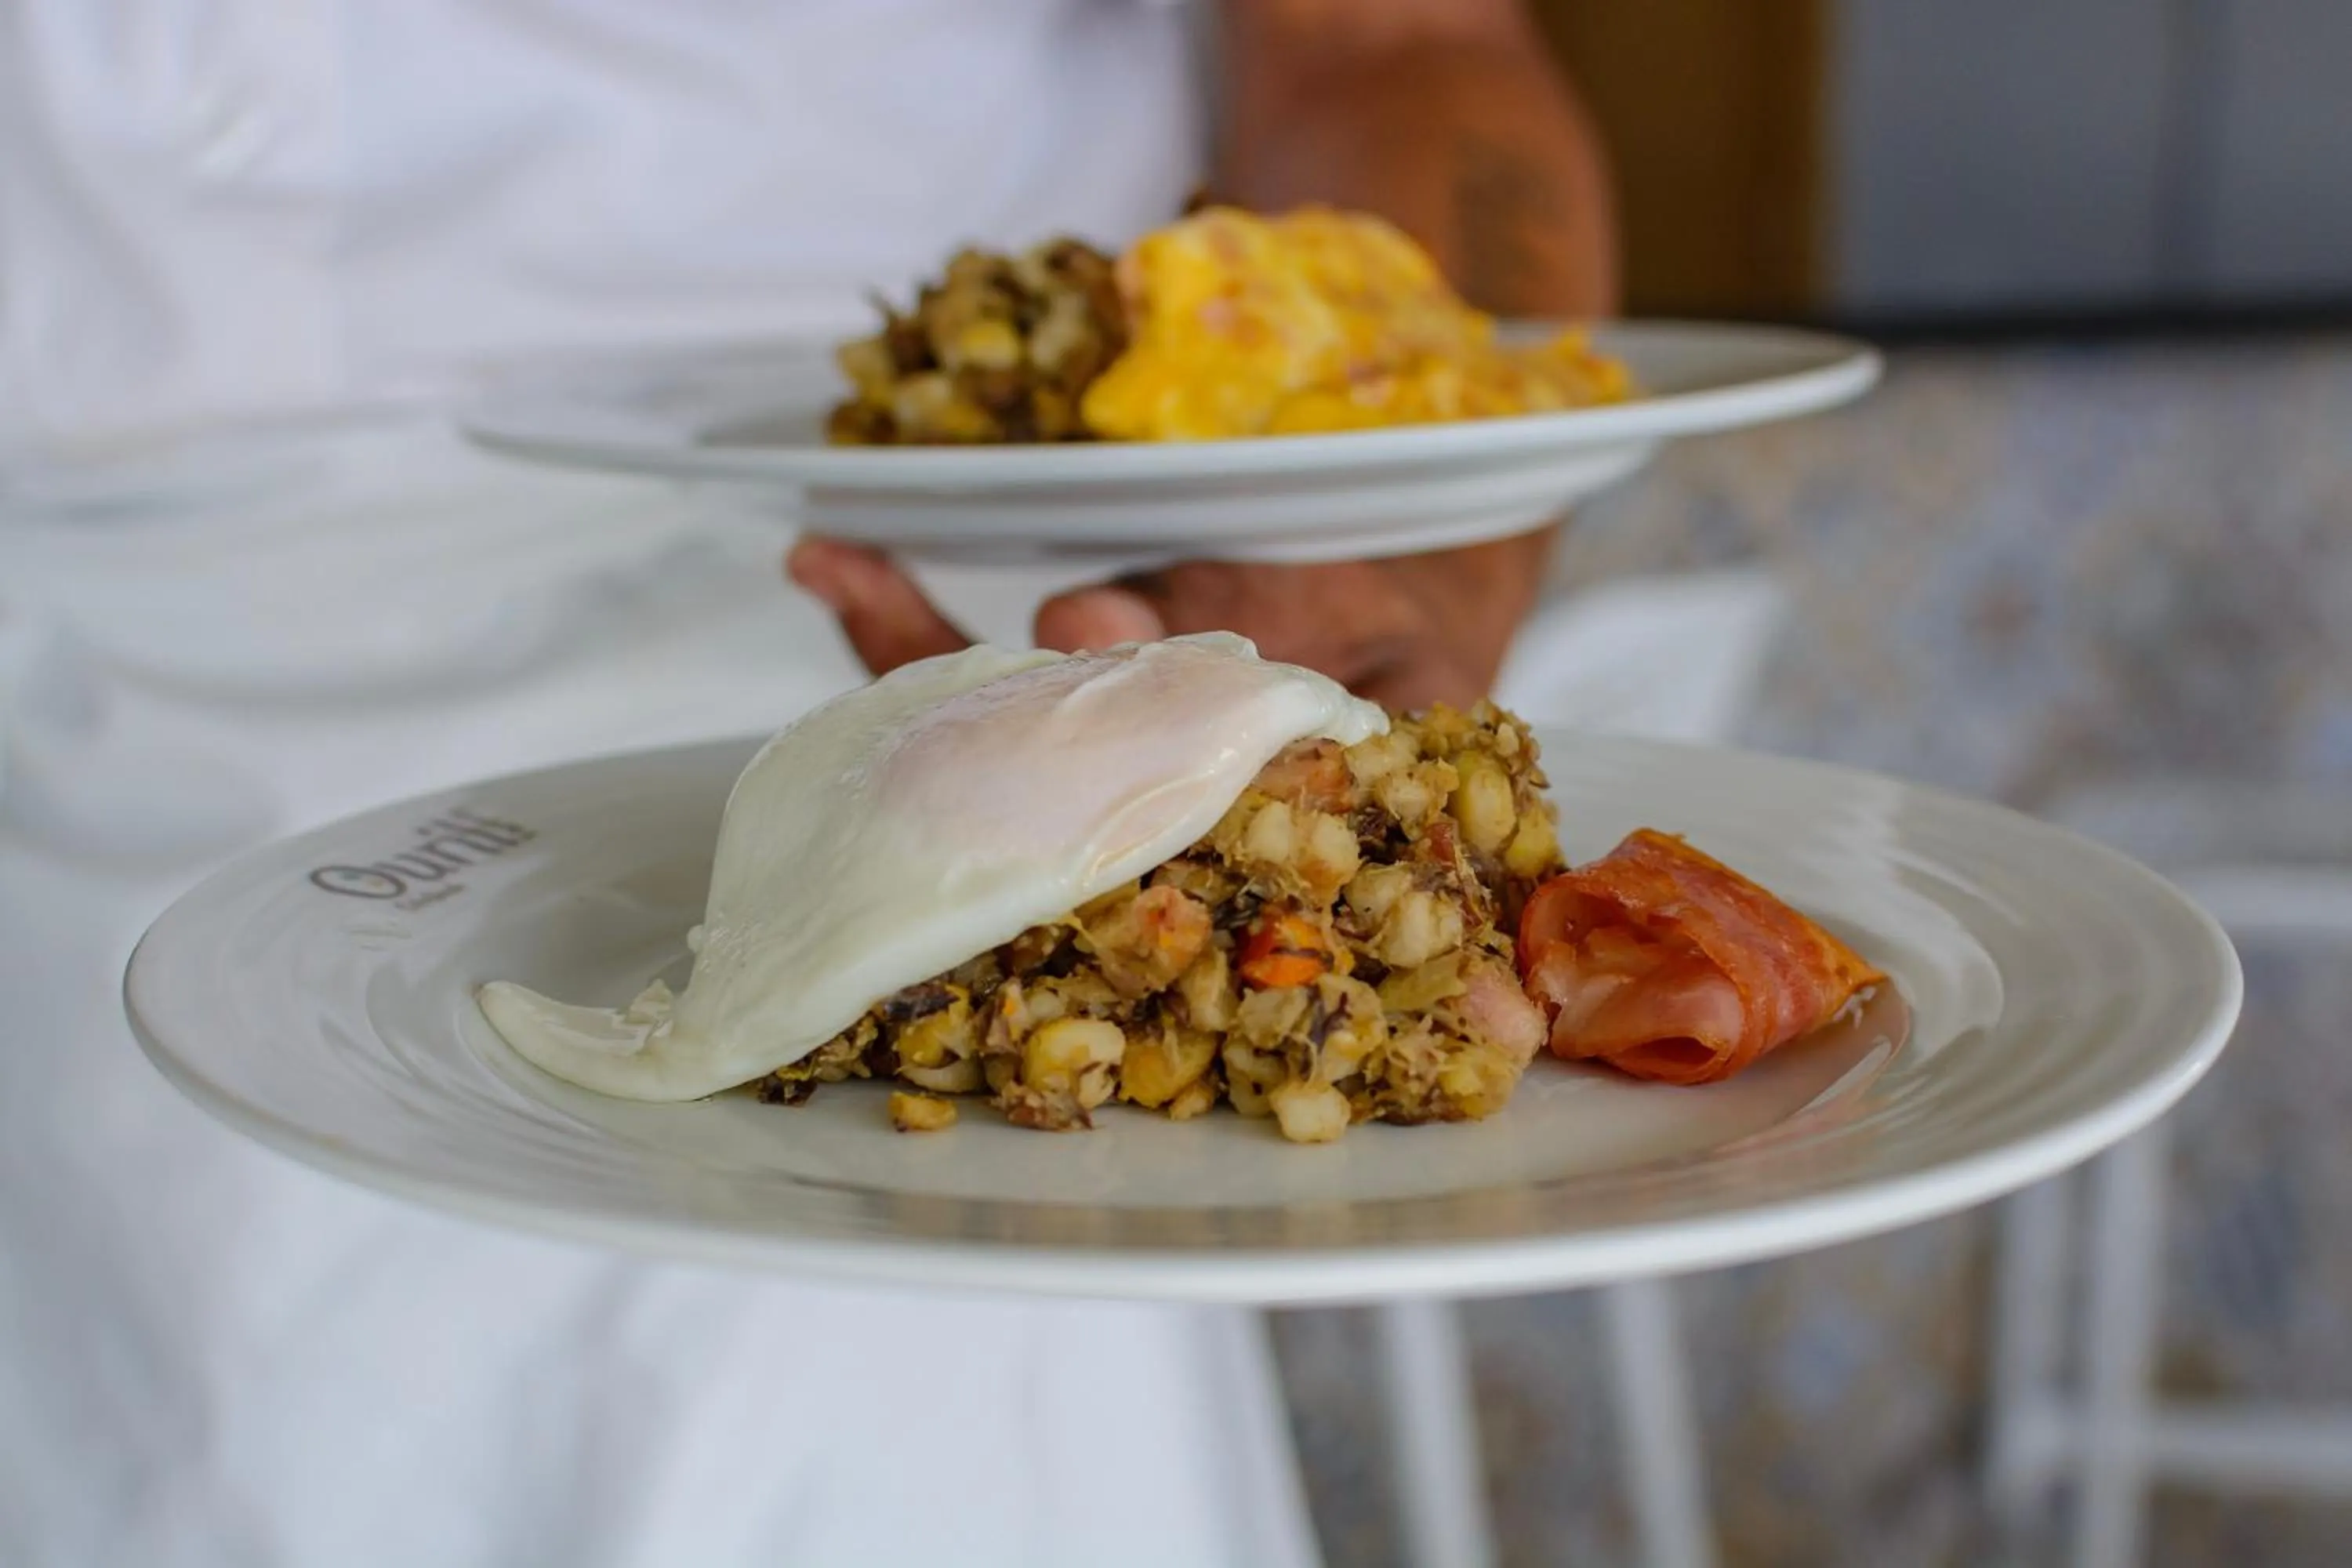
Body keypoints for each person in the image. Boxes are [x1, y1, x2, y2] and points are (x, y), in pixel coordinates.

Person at [0, 3, 1616, 1564]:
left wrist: (1420, 536)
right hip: (64, 583)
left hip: (901, 552)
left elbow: (1397, 44)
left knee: (841, 1256)